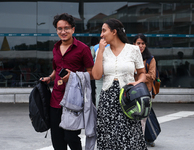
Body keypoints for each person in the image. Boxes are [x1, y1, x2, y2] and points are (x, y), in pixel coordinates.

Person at [41, 13, 94, 150]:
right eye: (60, 29)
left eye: (66, 28)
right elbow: (56, 69)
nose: (63, 32)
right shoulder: (55, 48)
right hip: (56, 99)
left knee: (71, 138)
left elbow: (92, 73)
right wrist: (50, 78)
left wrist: (74, 76)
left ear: (73, 29)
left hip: (74, 101)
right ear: (56, 30)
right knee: (57, 140)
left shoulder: (83, 48)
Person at [92, 18, 147, 150]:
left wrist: (138, 83)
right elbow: (96, 75)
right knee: (108, 138)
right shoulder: (102, 51)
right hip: (107, 100)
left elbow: (142, 73)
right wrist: (99, 51)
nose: (101, 34)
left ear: (114, 32)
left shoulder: (133, 49)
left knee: (130, 137)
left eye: (104, 30)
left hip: (128, 98)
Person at [133, 33, 156, 147]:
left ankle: (140, 142)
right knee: (131, 117)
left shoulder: (150, 59)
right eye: (138, 43)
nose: (140, 46)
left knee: (142, 119)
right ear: (133, 44)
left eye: (143, 43)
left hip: (145, 92)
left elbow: (152, 76)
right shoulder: (130, 57)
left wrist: (139, 74)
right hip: (131, 92)